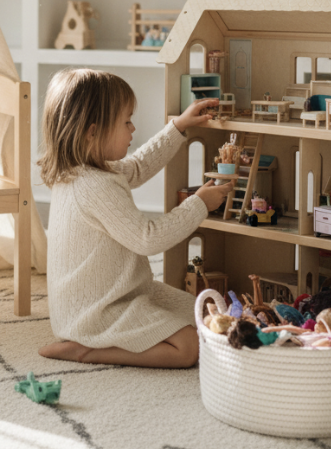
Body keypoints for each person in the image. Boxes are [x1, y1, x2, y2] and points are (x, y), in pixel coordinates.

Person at [37, 68, 232, 369]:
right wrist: (199, 205)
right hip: (97, 312)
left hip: (126, 293)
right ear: (92, 132)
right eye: (126, 121)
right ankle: (85, 351)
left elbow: (139, 166)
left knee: (208, 313)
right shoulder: (94, 186)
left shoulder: (89, 169)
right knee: (188, 348)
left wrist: (177, 127)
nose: (133, 128)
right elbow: (148, 238)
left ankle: (93, 342)